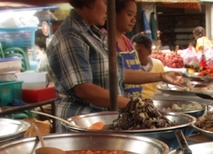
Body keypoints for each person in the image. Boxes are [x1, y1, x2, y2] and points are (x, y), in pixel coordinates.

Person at [47, 0, 183, 118]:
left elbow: (117, 74)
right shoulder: (71, 36)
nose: (108, 10)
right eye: (105, 3)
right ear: (88, 1)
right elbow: (84, 90)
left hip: (102, 120)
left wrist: (162, 76)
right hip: (82, 123)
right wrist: (135, 105)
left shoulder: (93, 33)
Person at [131, 33, 164, 99]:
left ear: (149, 52)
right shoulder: (129, 67)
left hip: (157, 101)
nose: (135, 54)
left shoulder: (158, 64)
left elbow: (162, 86)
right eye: (133, 51)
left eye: (140, 51)